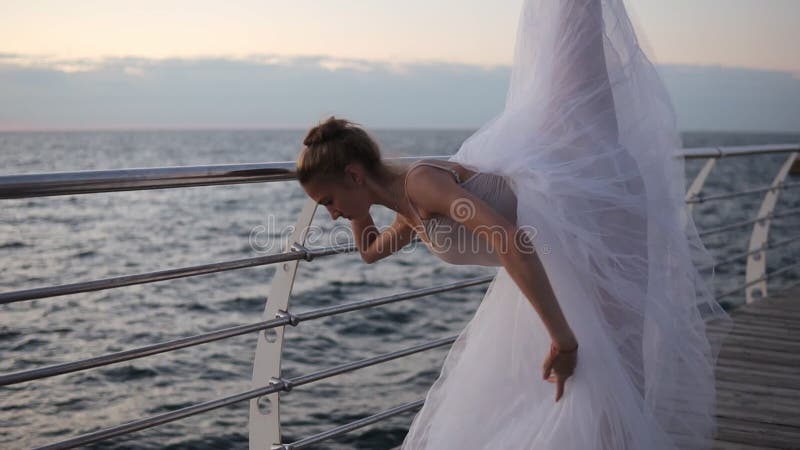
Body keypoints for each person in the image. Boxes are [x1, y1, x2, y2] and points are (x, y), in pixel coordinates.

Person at [295, 0, 733, 448]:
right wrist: (359, 208)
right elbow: (370, 252)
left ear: (353, 174)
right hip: (564, 248)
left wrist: (563, 340)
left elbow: (509, 239)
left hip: (597, 215)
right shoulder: (408, 210)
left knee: (609, 377)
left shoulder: (422, 184)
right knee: (593, 390)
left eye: (328, 200)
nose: (329, 212)